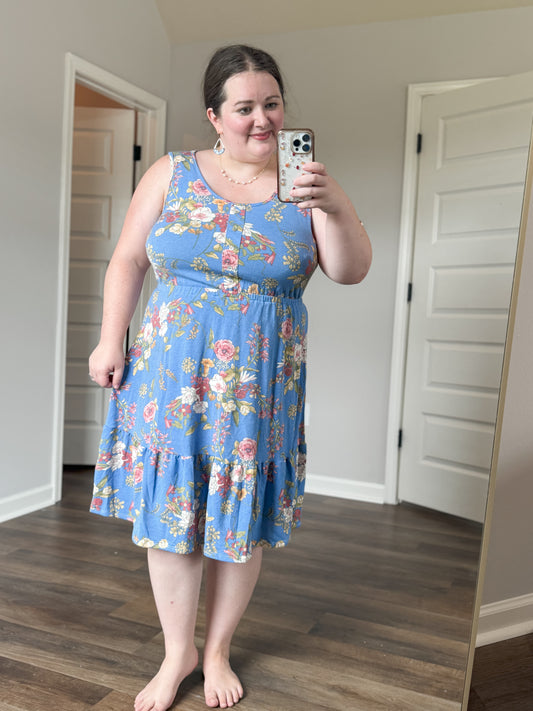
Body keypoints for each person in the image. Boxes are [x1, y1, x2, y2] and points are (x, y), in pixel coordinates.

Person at [88, 44, 371, 711]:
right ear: (214, 116)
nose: (261, 120)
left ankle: (214, 649)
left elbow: (350, 269)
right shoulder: (171, 172)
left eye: (271, 104)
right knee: (170, 518)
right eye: (243, 107)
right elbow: (128, 259)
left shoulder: (306, 183)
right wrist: (109, 338)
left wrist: (331, 204)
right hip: (167, 377)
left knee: (237, 521)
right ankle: (175, 651)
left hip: (258, 387)